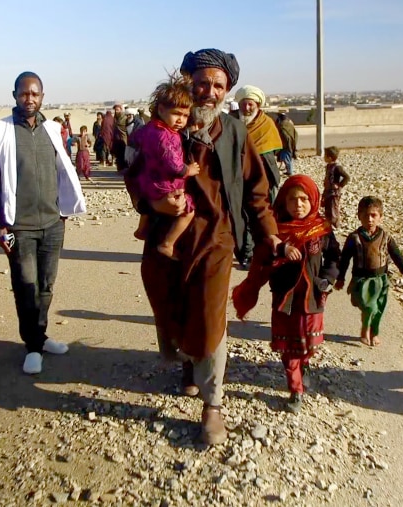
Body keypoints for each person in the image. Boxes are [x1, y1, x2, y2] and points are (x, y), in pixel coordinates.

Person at [132, 48, 279, 445]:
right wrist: (152, 203)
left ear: (227, 89)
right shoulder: (165, 124)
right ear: (187, 84)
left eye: (218, 85)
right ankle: (187, 364)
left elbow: (256, 188)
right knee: (170, 304)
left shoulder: (233, 132)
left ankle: (212, 404)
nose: (209, 92)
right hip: (168, 237)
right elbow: (134, 176)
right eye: (202, 83)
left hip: (216, 238)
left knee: (212, 316)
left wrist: (270, 232)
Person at [0, 71, 86, 375]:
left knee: (46, 285)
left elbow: (63, 170)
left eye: (35, 94)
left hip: (53, 223)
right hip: (18, 226)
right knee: (26, 286)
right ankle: (32, 347)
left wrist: (64, 209)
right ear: (15, 95)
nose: (30, 99)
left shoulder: (53, 129)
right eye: (24, 93)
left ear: (42, 96)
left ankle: (40, 336)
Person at [232, 175, 339, 413]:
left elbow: (333, 256)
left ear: (313, 200)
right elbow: (262, 259)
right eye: (293, 200)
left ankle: (306, 364)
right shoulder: (276, 232)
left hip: (312, 300)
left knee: (307, 345)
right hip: (285, 302)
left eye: (303, 199)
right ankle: (295, 389)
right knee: (290, 350)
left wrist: (328, 279)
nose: (298, 205)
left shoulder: (321, 230)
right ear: (284, 202)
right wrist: (281, 248)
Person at [129, 73, 200, 258]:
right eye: (176, 114)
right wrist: (189, 170)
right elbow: (174, 166)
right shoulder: (166, 135)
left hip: (148, 182)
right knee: (188, 211)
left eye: (185, 116)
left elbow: (135, 139)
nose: (181, 120)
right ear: (161, 109)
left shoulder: (150, 128)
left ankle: (142, 227)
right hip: (165, 185)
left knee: (148, 206)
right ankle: (168, 243)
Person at [336, 196, 403, 346]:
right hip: (362, 281)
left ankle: (374, 332)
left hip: (381, 280)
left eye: (374, 215)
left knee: (379, 309)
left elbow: (398, 257)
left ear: (381, 217)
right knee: (369, 307)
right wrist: (340, 278)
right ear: (359, 216)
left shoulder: (386, 238)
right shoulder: (354, 238)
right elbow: (345, 259)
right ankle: (365, 328)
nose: (370, 219)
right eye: (366, 215)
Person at [230, 85, 282, 269]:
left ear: (258, 104)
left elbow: (269, 160)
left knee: (262, 217)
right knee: (240, 218)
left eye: (250, 104)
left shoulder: (266, 125)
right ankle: (246, 253)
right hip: (236, 181)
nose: (246, 108)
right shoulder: (232, 123)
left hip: (261, 182)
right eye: (243, 104)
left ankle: (264, 252)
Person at [322, 146, 350, 229]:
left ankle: (335, 225)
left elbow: (347, 177)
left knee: (333, 208)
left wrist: (339, 185)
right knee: (327, 207)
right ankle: (329, 223)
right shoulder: (328, 166)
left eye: (325, 156)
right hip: (327, 190)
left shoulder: (337, 167)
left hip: (334, 192)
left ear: (330, 158)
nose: (324, 157)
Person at [276, 111, 298, 176]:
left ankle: (290, 172)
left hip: (286, 145)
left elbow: (284, 136)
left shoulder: (282, 125)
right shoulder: (289, 123)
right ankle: (288, 170)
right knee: (287, 158)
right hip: (290, 144)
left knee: (286, 158)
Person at [112, 104, 128, 172]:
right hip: (116, 139)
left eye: (117, 110)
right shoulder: (115, 118)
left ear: (121, 110)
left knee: (123, 154)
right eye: (115, 110)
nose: (116, 111)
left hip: (123, 139)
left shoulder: (124, 118)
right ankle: (120, 168)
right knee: (118, 154)